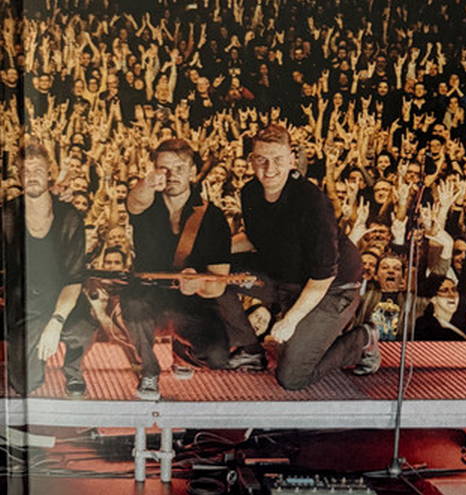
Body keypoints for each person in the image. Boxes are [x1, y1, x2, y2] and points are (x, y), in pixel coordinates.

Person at [239, 125, 379, 389]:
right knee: (217, 272)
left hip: (332, 288)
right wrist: (209, 252)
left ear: (292, 160)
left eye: (278, 160)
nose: (269, 169)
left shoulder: (311, 202)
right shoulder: (250, 192)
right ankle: (250, 350)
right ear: (251, 160)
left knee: (292, 377)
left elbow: (322, 277)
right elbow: (255, 237)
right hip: (288, 280)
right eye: (261, 159)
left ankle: (362, 339)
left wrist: (290, 320)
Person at [123, 138, 261, 401]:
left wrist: (198, 285)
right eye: (164, 168)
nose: (171, 175)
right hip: (147, 295)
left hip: (190, 303)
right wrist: (148, 182)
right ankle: (150, 370)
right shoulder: (147, 202)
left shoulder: (213, 217)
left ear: (193, 171)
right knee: (133, 305)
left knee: (216, 356)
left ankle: (182, 353)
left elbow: (217, 284)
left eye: (179, 168)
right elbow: (134, 202)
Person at [3, 142, 95, 398]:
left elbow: (75, 278)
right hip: (25, 306)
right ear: (18, 176)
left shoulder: (70, 217)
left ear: (49, 175)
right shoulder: (8, 214)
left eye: (38, 170)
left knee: (83, 330)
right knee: (23, 384)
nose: (32, 176)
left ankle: (73, 370)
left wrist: (56, 321)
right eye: (26, 171)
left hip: (61, 300)